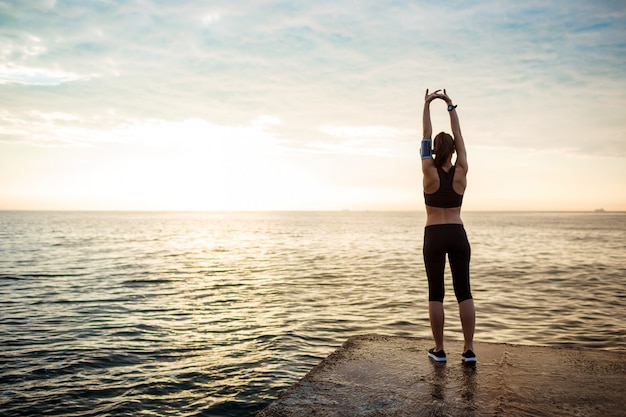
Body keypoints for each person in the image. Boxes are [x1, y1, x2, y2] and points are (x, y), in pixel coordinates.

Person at [421, 88, 476, 363]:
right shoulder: (462, 169)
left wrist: (427, 105)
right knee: (463, 291)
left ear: (433, 151)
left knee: (436, 292)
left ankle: (440, 350)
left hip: (434, 234)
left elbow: (425, 136)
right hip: (457, 232)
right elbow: (461, 138)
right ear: (454, 150)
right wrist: (450, 106)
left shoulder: (427, 169)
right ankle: (467, 351)